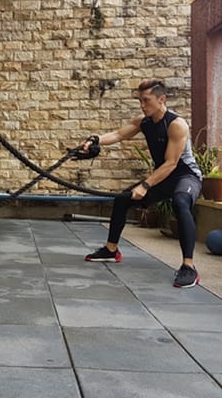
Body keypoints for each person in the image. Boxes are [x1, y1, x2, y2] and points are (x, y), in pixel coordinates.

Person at [80, 79, 203, 288]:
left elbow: (171, 163)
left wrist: (145, 185)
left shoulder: (176, 124)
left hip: (186, 176)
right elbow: (119, 134)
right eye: (140, 101)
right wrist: (94, 140)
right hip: (164, 177)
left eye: (146, 100)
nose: (142, 105)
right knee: (122, 200)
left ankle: (188, 267)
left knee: (180, 202)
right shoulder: (144, 121)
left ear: (161, 99)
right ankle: (111, 250)